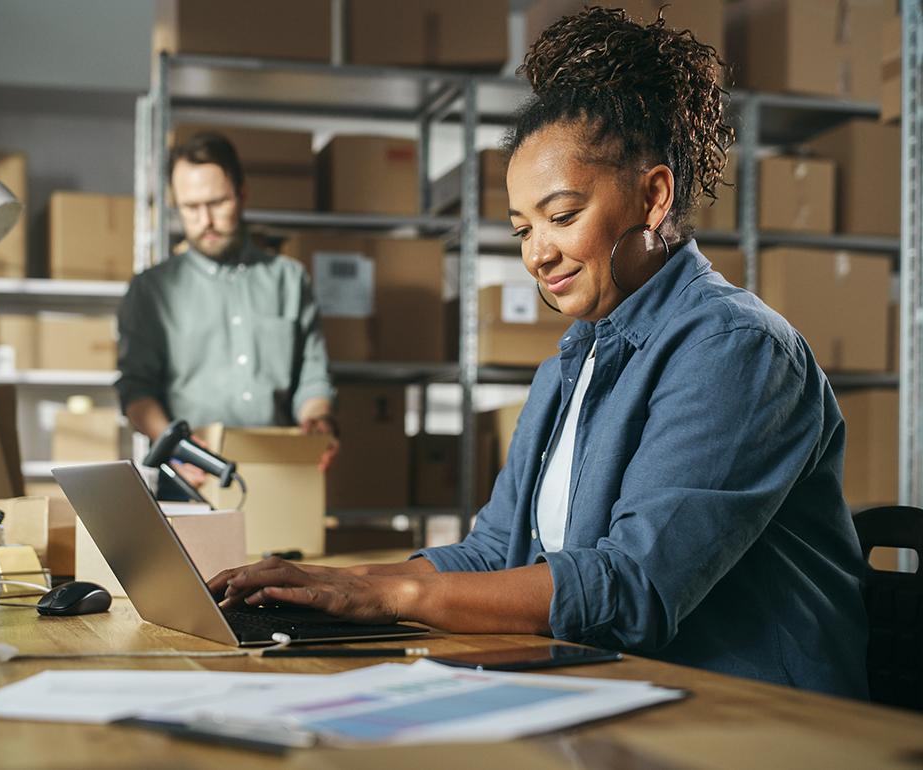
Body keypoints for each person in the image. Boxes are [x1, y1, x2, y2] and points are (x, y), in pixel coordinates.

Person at [207, 8, 869, 698]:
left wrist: (393, 598)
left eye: (561, 216)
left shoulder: (737, 350)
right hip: (626, 692)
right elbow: (497, 551)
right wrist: (333, 582)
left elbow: (632, 587)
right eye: (522, 228)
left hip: (758, 719)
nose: (536, 253)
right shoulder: (571, 363)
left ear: (653, 196)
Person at [116, 132, 337, 487]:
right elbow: (136, 389)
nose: (205, 220)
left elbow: (313, 379)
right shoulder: (150, 291)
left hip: (279, 473)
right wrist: (173, 445)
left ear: (242, 194)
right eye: (190, 207)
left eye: (217, 203)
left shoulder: (290, 280)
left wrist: (317, 420)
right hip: (191, 476)